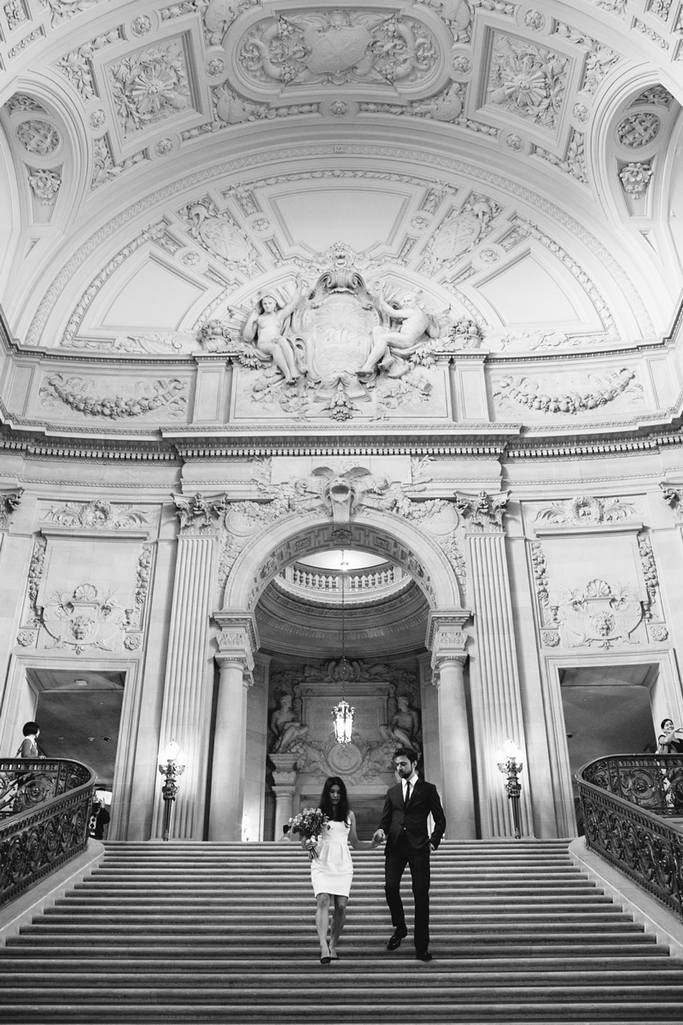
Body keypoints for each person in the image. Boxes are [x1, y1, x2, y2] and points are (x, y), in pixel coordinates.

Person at [372, 745, 446, 962]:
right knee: (390, 887)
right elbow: (386, 821)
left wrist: (433, 842)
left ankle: (421, 946)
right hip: (395, 846)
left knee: (421, 895)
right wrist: (381, 830)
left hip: (419, 847)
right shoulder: (392, 792)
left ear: (414, 764)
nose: (399, 768)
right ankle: (400, 927)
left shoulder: (428, 789)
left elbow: (440, 820)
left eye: (403, 764)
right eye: (397, 765)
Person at [303, 776, 380, 963]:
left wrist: (372, 845)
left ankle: (333, 945)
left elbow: (354, 842)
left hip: (343, 863)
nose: (335, 795)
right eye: (332, 791)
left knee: (341, 906)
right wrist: (308, 846)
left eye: (338, 792)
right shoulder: (317, 814)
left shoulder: (349, 815)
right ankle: (323, 945)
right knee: (322, 900)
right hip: (322, 861)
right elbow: (306, 842)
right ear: (327, 793)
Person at [241, 280, 304, 383]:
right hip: (264, 344)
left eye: (270, 303)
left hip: (276, 340)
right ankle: (287, 374)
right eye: (265, 304)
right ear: (262, 305)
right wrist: (250, 321)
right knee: (275, 348)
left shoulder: (279, 316)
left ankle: (293, 371)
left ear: (275, 304)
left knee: (283, 341)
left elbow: (293, 304)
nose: (267, 306)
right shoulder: (259, 318)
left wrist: (299, 287)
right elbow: (247, 338)